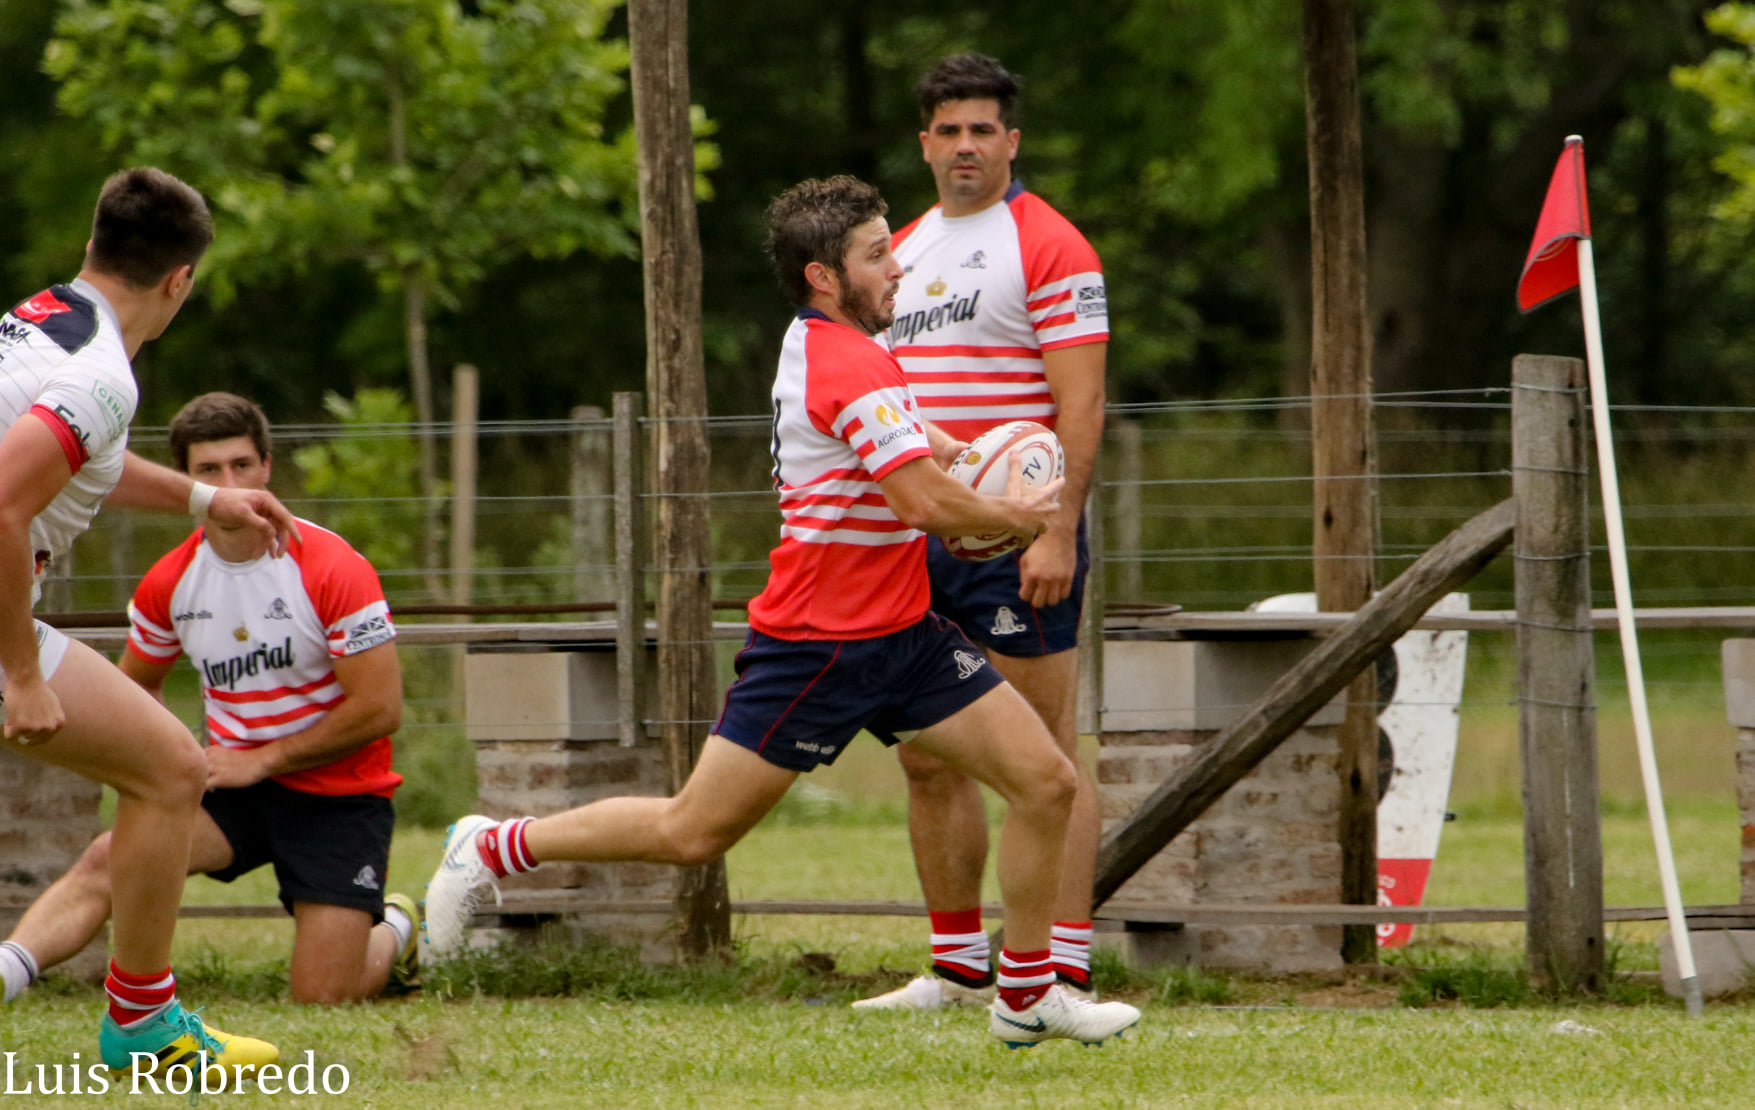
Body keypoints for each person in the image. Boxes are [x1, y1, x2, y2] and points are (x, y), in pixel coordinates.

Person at [424, 175, 1140, 1048]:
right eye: (878, 255)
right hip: (817, 646)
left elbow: (918, 441)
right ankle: (492, 846)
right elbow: (925, 506)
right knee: (693, 831)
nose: (898, 268)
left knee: (1047, 782)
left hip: (904, 637)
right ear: (824, 277)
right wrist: (1027, 515)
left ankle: (1026, 996)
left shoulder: (841, 347)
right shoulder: (845, 360)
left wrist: (984, 449)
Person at [0, 168, 290, 1079]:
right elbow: (4, 505)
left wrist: (206, 498)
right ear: (180, 281)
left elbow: (73, 460)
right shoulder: (101, 374)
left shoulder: (40, 320)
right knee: (172, 768)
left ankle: (143, 1023)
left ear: (95, 243)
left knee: (166, 766)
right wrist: (22, 673)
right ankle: (144, 1029)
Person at [1, 392, 419, 1007]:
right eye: (210, 471)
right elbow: (135, 686)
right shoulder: (169, 581)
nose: (232, 483)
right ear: (188, 483)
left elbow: (381, 708)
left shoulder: (331, 564)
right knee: (103, 863)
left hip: (340, 798)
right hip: (232, 793)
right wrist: (166, 760)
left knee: (323, 995)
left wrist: (265, 757)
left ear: (268, 467)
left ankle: (404, 927)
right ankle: (9, 971)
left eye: (243, 465)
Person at [855, 54, 1110, 1011]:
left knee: (1043, 757)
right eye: (948, 130)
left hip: (1020, 544)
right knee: (925, 752)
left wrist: (1057, 532)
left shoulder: (1050, 245)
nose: (965, 145)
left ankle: (1060, 969)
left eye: (982, 130)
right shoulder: (900, 251)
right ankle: (958, 969)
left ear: (1012, 140)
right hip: (919, 537)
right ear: (923, 143)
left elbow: (1080, 405)